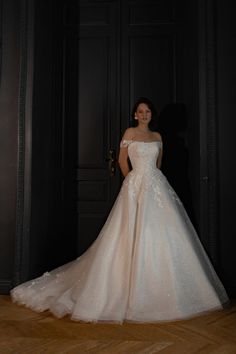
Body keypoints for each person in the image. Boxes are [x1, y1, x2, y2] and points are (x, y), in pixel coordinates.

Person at [11, 97, 229, 324]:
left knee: (163, 234)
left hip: (156, 186)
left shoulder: (158, 137)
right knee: (127, 234)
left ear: (151, 115)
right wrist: (132, 183)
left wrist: (151, 181)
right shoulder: (129, 133)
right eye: (140, 111)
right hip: (135, 185)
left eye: (147, 112)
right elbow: (122, 160)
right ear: (135, 115)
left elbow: (159, 164)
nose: (144, 115)